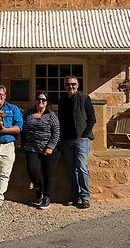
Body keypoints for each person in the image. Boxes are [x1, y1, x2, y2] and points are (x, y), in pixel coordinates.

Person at [58, 75, 96, 209]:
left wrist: (84, 135)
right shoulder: (62, 101)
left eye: (73, 84)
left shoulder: (84, 99)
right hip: (67, 140)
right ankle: (75, 196)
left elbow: (92, 119)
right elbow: (61, 120)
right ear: (65, 86)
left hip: (81, 140)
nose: (71, 86)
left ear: (77, 85)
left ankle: (85, 197)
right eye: (68, 84)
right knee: (71, 169)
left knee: (82, 168)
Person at [22, 92, 61, 210]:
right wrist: (22, 141)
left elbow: (57, 132)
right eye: (38, 99)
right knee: (32, 170)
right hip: (32, 147)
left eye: (43, 100)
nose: (41, 102)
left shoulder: (51, 115)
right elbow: (22, 128)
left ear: (47, 102)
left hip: (49, 148)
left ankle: (47, 197)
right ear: (35, 101)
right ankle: (38, 187)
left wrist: (50, 146)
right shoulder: (28, 114)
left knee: (48, 172)